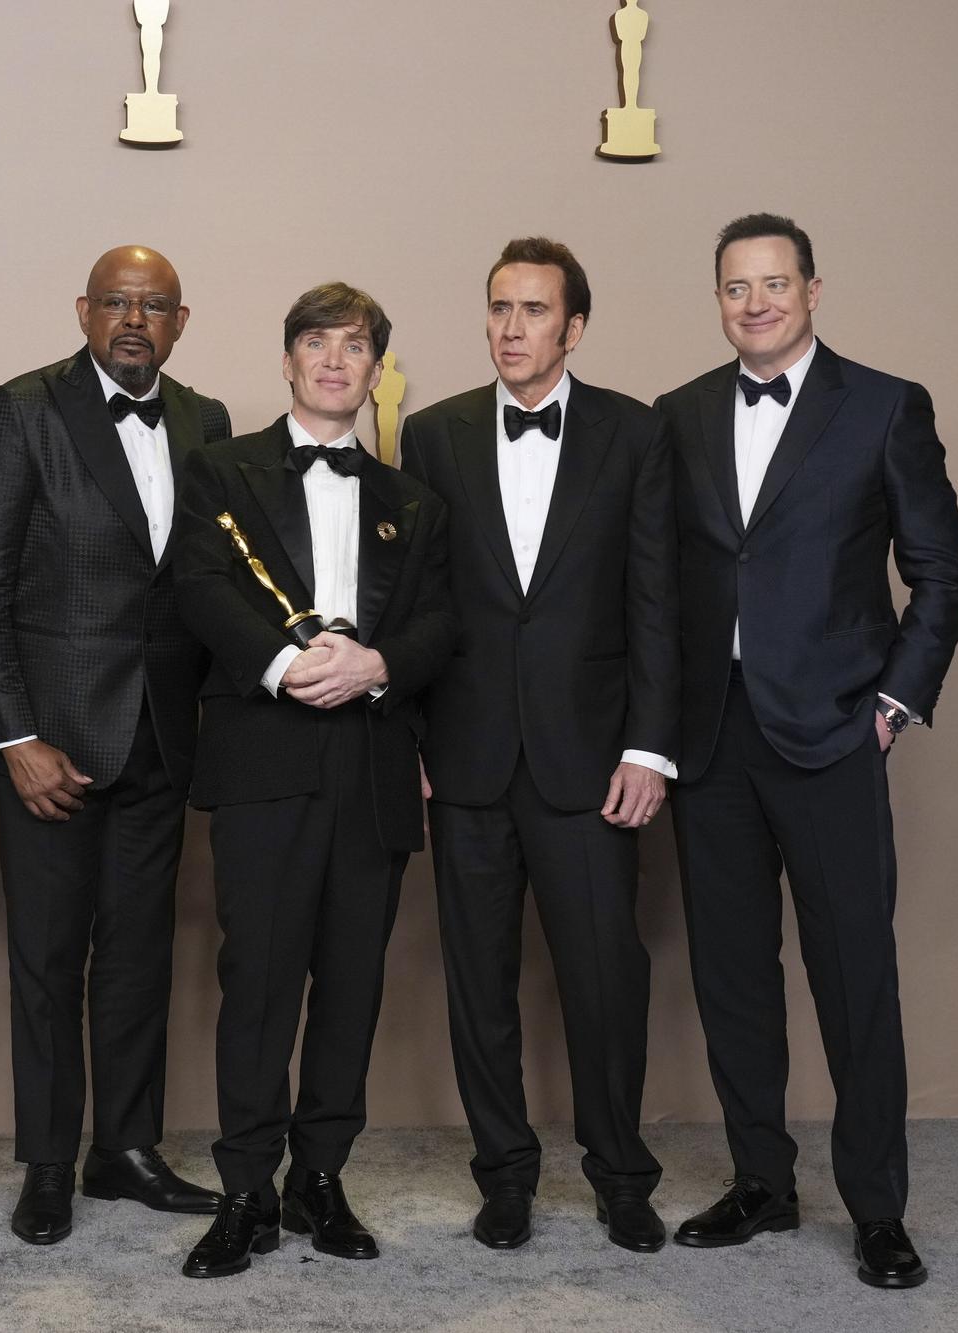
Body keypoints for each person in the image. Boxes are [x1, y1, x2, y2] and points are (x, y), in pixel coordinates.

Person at [656, 213, 958, 1288]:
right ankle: (761, 1181)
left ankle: (877, 1208)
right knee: (732, 972)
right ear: (717, 299)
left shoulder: (883, 405)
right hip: (711, 737)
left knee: (852, 975)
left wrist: (892, 703)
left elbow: (941, 572)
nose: (754, 303)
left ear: (812, 290)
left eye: (773, 284)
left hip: (834, 728)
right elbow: (662, 588)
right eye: (735, 288)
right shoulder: (680, 414)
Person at [172, 283, 456, 1278]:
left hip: (370, 763)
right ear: (287, 360)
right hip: (263, 755)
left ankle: (318, 1175)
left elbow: (436, 622)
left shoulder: (414, 502)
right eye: (314, 343)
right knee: (255, 983)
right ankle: (246, 1186)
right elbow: (198, 583)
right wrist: (287, 664)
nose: (334, 361)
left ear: (374, 367)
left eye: (353, 345)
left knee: (349, 983)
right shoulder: (219, 468)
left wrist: (375, 665)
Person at [400, 237, 677, 1252]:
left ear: (573, 326)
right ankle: (504, 1174)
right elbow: (416, 603)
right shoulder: (430, 435)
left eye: (531, 310)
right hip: (466, 761)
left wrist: (649, 749)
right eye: (497, 308)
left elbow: (657, 603)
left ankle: (619, 1175)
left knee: (606, 979)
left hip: (589, 762)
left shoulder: (635, 435)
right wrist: (416, 739)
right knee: (478, 984)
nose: (510, 328)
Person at [0, 246, 229, 1244]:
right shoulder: (19, 410)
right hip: (50, 747)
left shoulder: (206, 421)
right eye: (114, 301)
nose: (131, 319)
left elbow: (207, 587)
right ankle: (45, 1165)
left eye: (151, 307)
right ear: (82, 310)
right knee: (46, 961)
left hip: (162, 735)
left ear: (179, 321)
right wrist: (12, 737)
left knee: (138, 959)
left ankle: (123, 1148)